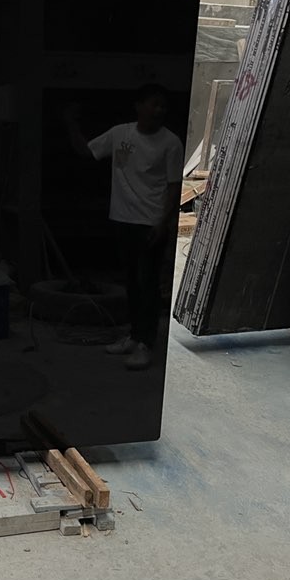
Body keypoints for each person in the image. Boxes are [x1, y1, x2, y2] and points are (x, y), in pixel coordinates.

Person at [65, 84, 183, 371]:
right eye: (154, 104)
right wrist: (70, 123)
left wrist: (163, 222)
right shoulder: (120, 134)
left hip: (150, 223)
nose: (159, 110)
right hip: (123, 219)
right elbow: (86, 151)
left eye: (162, 106)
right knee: (131, 281)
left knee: (148, 283)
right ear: (138, 106)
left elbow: (174, 186)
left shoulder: (171, 143)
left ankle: (146, 344)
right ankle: (134, 335)